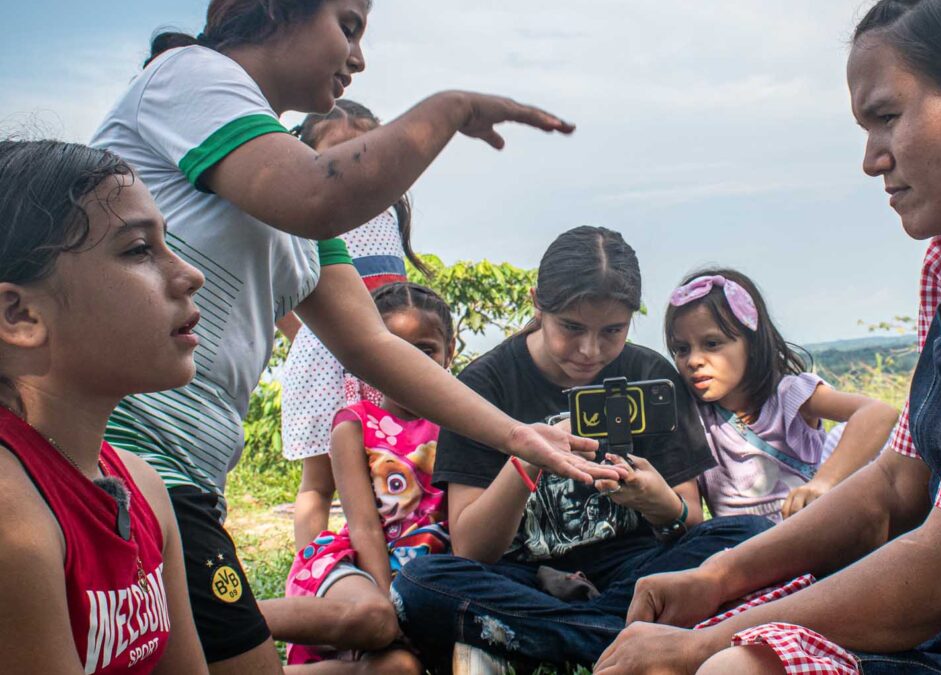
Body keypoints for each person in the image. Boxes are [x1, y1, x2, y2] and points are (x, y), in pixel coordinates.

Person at [90, 3, 614, 672]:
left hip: (185, 480)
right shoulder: (188, 78)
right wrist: (448, 109)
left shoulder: (291, 214)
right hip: (118, 459)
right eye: (348, 23)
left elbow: (373, 347)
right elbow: (319, 191)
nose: (358, 57)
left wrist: (516, 434)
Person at [594, 1, 941, 672]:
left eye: (886, 117)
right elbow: (893, 484)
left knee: (738, 664)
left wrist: (700, 643)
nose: (870, 159)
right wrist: (719, 577)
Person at [392, 226, 774, 672]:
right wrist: (527, 458)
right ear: (537, 302)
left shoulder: (650, 375)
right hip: (525, 578)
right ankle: (623, 640)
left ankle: (558, 639)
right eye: (571, 328)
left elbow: (689, 520)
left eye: (612, 330)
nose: (590, 350)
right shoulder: (484, 386)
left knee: (749, 535)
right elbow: (473, 548)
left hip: (638, 572)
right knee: (419, 583)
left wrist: (661, 504)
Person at [0, 140, 208, 673]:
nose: (190, 275)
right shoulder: (11, 515)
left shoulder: (143, 488)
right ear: (19, 314)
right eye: (139, 250)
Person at [272, 282, 454, 672]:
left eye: (425, 350)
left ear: (449, 353)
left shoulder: (461, 424)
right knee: (375, 616)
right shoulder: (355, 426)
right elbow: (364, 527)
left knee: (402, 668)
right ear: (368, 357)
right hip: (360, 567)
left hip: (429, 573)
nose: (409, 364)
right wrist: (390, 592)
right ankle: (223, 622)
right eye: (394, 350)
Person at [278, 100, 426, 551]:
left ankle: (386, 554)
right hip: (324, 361)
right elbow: (278, 288)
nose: (355, 159)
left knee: (388, 464)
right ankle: (313, 565)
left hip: (381, 357)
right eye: (339, 151)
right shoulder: (303, 215)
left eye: (365, 147)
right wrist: (305, 338)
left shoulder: (385, 209)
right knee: (320, 479)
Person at [664, 268, 897, 522]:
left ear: (752, 344)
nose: (694, 360)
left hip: (810, 531)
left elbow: (879, 414)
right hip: (741, 548)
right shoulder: (691, 418)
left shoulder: (789, 395)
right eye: (681, 349)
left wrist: (822, 484)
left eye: (712, 344)